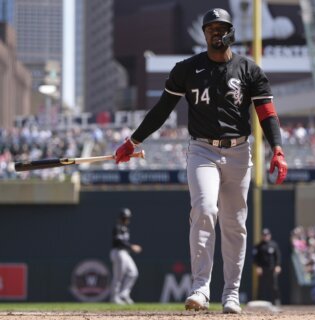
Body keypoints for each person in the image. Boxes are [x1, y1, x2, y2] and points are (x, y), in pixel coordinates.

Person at [114, 8, 288, 314]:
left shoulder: (249, 70)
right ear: (204, 34)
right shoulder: (187, 69)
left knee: (235, 224)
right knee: (205, 209)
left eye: (221, 28)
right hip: (202, 150)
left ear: (231, 32)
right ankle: (200, 288)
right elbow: (162, 109)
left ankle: (231, 293)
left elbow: (267, 114)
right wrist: (134, 141)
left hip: (239, 152)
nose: (216, 33)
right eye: (211, 29)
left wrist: (277, 148)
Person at [110, 208, 142, 304]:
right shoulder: (117, 227)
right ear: (121, 218)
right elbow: (118, 241)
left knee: (133, 273)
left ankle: (124, 294)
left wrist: (130, 248)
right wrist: (132, 247)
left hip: (125, 253)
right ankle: (114, 297)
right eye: (125, 218)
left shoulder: (125, 228)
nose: (126, 219)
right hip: (118, 252)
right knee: (118, 276)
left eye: (127, 218)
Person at [253, 228, 282, 305]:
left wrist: (278, 266)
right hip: (262, 269)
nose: (265, 236)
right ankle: (259, 301)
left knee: (274, 286)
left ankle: (276, 301)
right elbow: (255, 258)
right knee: (261, 286)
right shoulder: (258, 246)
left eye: (266, 235)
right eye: (264, 235)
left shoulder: (273, 245)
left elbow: (277, 256)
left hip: (272, 269)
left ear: (270, 235)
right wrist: (258, 267)